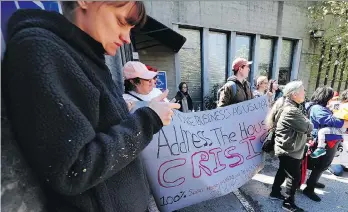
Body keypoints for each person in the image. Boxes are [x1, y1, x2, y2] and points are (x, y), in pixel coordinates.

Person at [1, 2, 180, 212]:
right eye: (122, 21)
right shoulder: (40, 49)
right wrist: (148, 119)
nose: (126, 37)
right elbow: (73, 169)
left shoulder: (85, 55)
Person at [267, 81, 313, 212]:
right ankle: (288, 203)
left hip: (286, 147)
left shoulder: (289, 105)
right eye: (303, 90)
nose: (305, 92)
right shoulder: (291, 110)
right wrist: (307, 121)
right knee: (294, 177)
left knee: (283, 171)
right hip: (290, 149)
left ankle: (275, 193)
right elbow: (308, 127)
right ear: (294, 95)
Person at [304, 86, 348, 202]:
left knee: (322, 165)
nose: (332, 99)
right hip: (324, 141)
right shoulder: (317, 108)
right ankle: (309, 189)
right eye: (331, 97)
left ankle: (311, 182)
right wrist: (344, 122)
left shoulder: (320, 107)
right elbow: (329, 120)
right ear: (325, 97)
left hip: (329, 140)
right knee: (321, 165)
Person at [311, 89, 348, 158]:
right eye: (332, 98)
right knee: (322, 131)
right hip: (329, 139)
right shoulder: (318, 108)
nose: (334, 100)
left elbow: (332, 119)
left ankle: (324, 148)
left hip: (336, 134)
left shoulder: (341, 106)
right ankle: (321, 148)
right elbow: (328, 120)